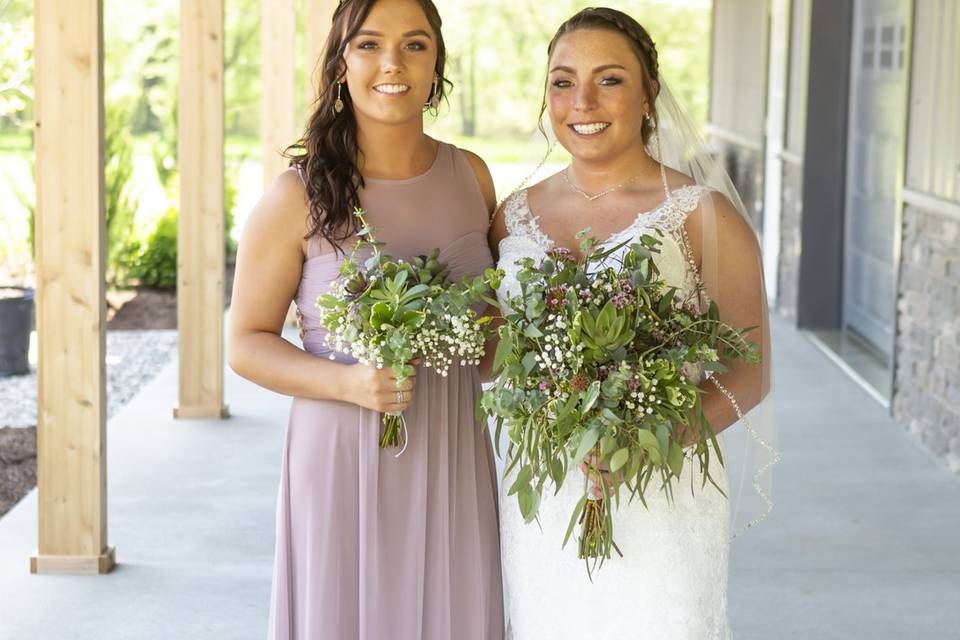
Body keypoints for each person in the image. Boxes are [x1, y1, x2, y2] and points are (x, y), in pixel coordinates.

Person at [489, 8, 776, 638]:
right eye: (563, 82)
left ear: (648, 93)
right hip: (547, 491)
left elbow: (749, 372)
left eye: (610, 79)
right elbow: (496, 350)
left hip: (660, 488)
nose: (582, 101)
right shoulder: (511, 215)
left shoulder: (702, 215)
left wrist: (645, 442)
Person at [228, 0, 504, 637]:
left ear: (437, 64)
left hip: (452, 446)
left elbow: (490, 337)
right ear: (340, 62)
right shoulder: (296, 196)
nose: (392, 63)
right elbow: (245, 343)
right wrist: (349, 384)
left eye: (415, 45)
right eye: (369, 44)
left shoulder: (473, 176)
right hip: (341, 453)